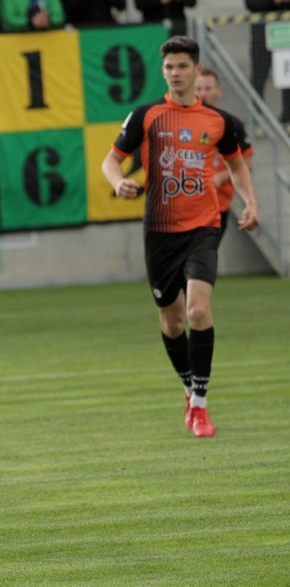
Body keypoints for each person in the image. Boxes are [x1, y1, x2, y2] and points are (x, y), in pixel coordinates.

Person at [101, 36, 259, 439]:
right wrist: (118, 183)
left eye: (183, 66)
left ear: (196, 70)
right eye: (169, 66)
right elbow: (111, 161)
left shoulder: (218, 121)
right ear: (163, 71)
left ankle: (202, 409)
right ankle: (189, 389)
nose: (175, 73)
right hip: (159, 234)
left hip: (204, 227)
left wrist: (251, 203)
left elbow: (238, 166)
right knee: (172, 321)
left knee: (198, 313)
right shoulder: (146, 115)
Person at [195, 67, 255, 239]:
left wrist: (220, 177)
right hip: (189, 205)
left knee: (205, 257)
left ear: (218, 91)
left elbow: (248, 163)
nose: (203, 93)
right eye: (198, 89)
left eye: (208, 88)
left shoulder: (231, 124)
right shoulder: (183, 123)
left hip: (218, 204)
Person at [245, 0, 290, 129]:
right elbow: (251, 4)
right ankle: (255, 115)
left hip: (285, 26)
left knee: (286, 72)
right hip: (262, 25)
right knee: (259, 73)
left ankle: (287, 116)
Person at [0, 0, 64, 32]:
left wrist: (48, 19)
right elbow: (8, 21)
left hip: (50, 45)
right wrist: (31, 22)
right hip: (15, 46)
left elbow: (60, 17)